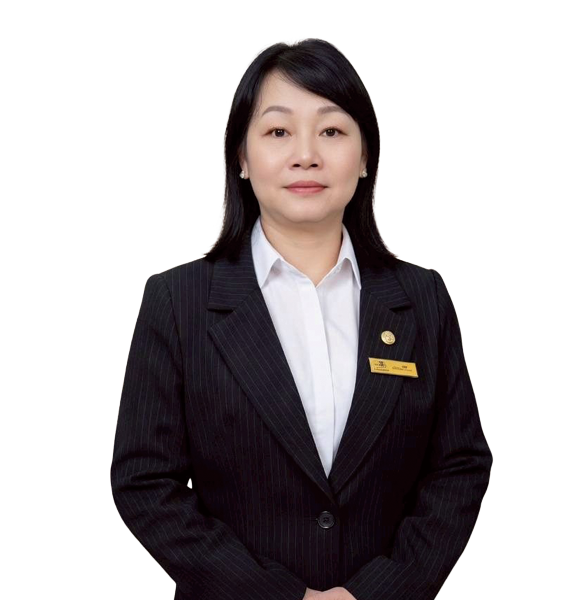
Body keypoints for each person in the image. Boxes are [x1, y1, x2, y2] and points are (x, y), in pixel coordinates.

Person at [110, 38, 493, 600]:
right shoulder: (179, 301)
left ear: (365, 157)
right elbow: (145, 482)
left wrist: (378, 592)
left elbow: (459, 465)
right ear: (242, 158)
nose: (306, 154)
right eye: (278, 131)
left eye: (332, 131)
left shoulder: (421, 298)